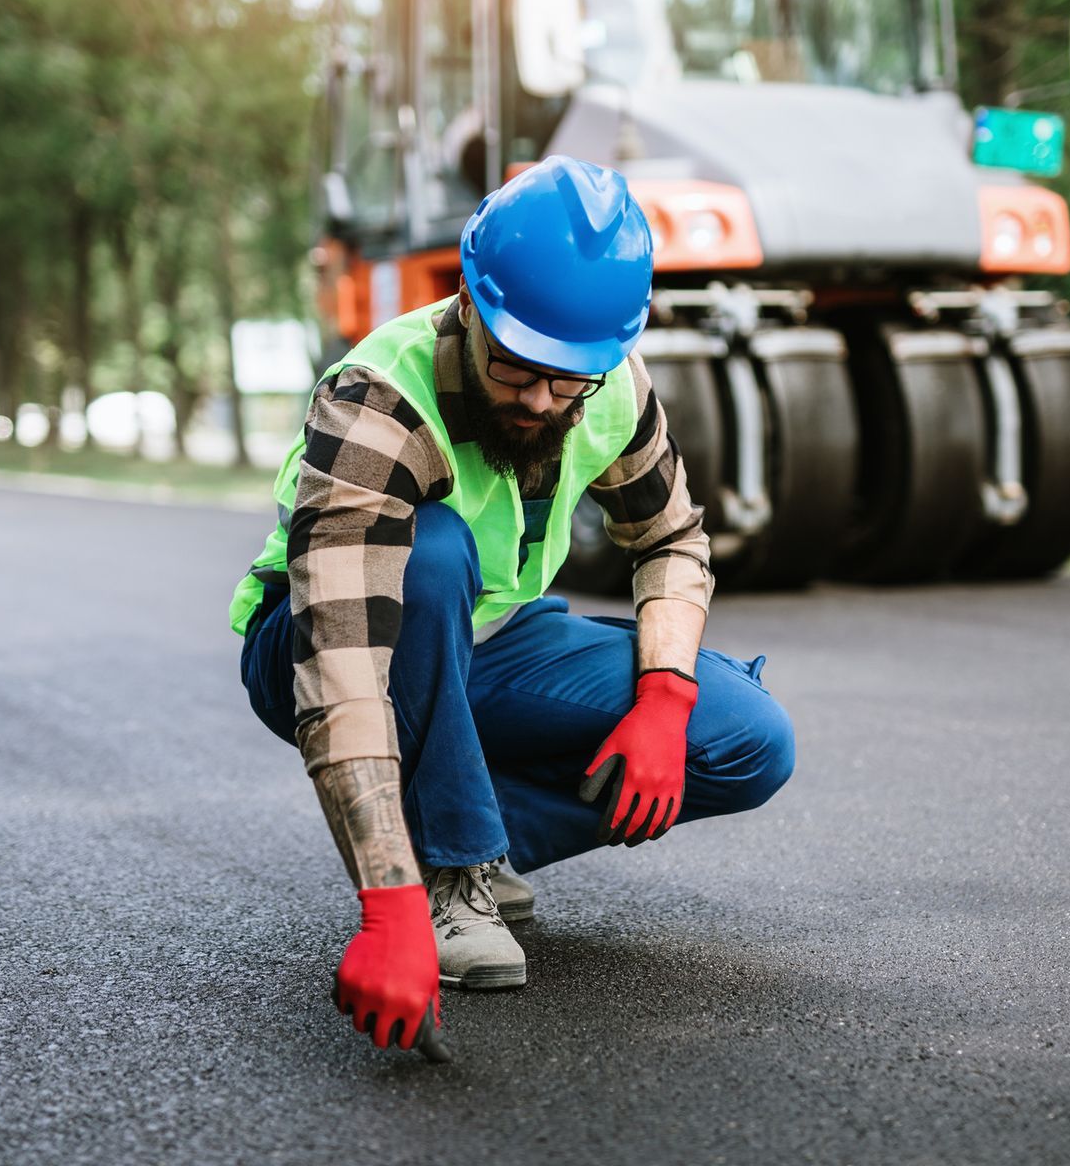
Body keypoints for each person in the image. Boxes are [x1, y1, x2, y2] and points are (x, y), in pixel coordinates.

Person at [232, 156, 795, 1061]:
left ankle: (469, 837)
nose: (541, 400)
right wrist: (388, 907)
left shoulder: (607, 384)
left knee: (746, 742)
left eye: (567, 379)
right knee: (434, 549)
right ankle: (445, 877)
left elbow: (671, 541)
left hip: (497, 643)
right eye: (518, 368)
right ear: (468, 302)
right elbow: (340, 666)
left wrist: (664, 697)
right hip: (329, 641)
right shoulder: (377, 400)